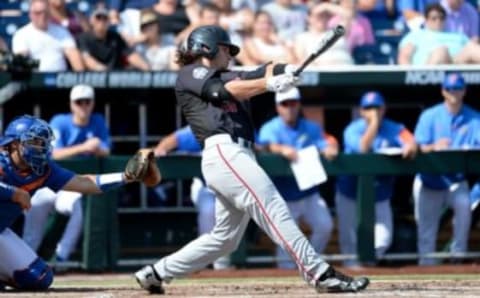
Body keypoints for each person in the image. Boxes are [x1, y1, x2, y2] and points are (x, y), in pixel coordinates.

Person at [134, 24, 369, 294]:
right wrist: (268, 84)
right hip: (224, 151)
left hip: (237, 156)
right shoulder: (190, 74)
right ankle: (319, 273)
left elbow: (260, 71)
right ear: (206, 47)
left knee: (225, 239)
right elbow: (223, 91)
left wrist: (285, 70)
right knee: (273, 206)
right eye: (224, 49)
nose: (229, 55)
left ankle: (156, 272)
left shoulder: (227, 74)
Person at [0, 114, 155, 290]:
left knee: (40, 278)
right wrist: (13, 193)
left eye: (43, 143)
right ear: (14, 144)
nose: (40, 148)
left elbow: (83, 182)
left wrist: (126, 177)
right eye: (34, 143)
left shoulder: (42, 170)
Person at [22, 84, 111, 264]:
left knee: (77, 206)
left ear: (92, 103)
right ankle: (23, 261)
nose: (84, 106)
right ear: (72, 104)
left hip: (72, 186)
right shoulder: (59, 121)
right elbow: (53, 153)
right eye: (79, 102)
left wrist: (98, 149)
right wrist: (84, 147)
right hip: (49, 182)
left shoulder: (98, 120)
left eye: (87, 102)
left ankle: (61, 257)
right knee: (33, 224)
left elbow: (107, 150)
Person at [335, 91, 417, 267]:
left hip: (380, 193)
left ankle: (367, 267)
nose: (373, 111)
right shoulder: (352, 129)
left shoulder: (394, 128)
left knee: (383, 239)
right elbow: (363, 148)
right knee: (348, 243)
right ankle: (351, 275)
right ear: (361, 111)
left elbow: (409, 139)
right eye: (368, 108)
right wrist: (373, 123)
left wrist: (410, 146)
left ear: (384, 109)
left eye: (377, 107)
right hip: (350, 192)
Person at [258, 87, 336, 269]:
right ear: (278, 106)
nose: (289, 108)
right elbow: (263, 145)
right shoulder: (270, 128)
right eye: (285, 104)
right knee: (286, 247)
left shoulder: (310, 127)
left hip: (309, 192)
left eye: (293, 103)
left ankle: (310, 264)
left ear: (299, 105)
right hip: (282, 196)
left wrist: (330, 148)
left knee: (325, 226)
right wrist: (281, 149)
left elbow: (326, 142)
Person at [413, 72, 479, 265]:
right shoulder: (430, 116)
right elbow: (417, 147)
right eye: (449, 89)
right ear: (443, 91)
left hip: (457, 181)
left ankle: (457, 260)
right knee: (426, 230)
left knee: (464, 210)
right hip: (430, 180)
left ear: (464, 91)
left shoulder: (474, 118)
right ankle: (426, 268)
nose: (453, 93)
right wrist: (434, 147)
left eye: (457, 88)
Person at [154, 125, 231, 270]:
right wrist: (161, 149)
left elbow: (257, 146)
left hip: (232, 187)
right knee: (209, 212)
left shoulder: (236, 124)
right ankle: (207, 263)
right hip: (207, 187)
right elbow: (171, 140)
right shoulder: (202, 126)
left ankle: (221, 266)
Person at [12, 0, 84, 72]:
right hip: (34, 79)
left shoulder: (61, 31)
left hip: (60, 78)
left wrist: (79, 77)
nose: (42, 16)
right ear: (30, 14)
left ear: (49, 13)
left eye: (45, 13)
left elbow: (73, 54)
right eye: (38, 13)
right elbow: (21, 59)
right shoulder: (21, 34)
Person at [397, 3, 480, 65]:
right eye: (434, 18)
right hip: (428, 68)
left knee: (473, 48)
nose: (438, 21)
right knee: (441, 52)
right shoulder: (415, 35)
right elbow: (404, 56)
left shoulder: (458, 36)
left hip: (458, 62)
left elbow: (472, 47)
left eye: (441, 17)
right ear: (426, 20)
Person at [76, 7, 150, 71]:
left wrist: (147, 69)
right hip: (95, 78)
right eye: (98, 18)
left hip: (115, 77)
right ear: (91, 20)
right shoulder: (84, 38)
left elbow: (130, 55)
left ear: (109, 21)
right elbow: (87, 59)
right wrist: (106, 72)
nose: (102, 21)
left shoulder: (116, 37)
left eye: (105, 18)